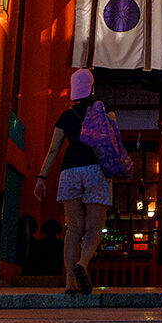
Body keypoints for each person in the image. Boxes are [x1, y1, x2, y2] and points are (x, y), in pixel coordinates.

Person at [33, 69, 112, 296]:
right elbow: (113, 138)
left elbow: (54, 149)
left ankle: (69, 282)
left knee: (73, 228)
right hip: (95, 169)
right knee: (94, 227)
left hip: (69, 172)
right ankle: (83, 263)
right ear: (93, 88)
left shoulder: (66, 116)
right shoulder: (104, 111)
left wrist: (42, 177)